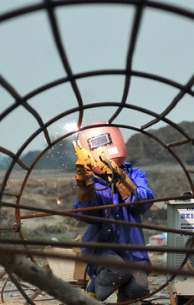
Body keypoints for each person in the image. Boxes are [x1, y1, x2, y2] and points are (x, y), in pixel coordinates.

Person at [71, 121, 155, 302]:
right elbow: (89, 216)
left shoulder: (135, 174)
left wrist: (121, 179)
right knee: (118, 271)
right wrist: (85, 186)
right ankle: (93, 287)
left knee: (139, 287)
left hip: (131, 246)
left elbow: (142, 203)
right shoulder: (92, 181)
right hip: (101, 247)